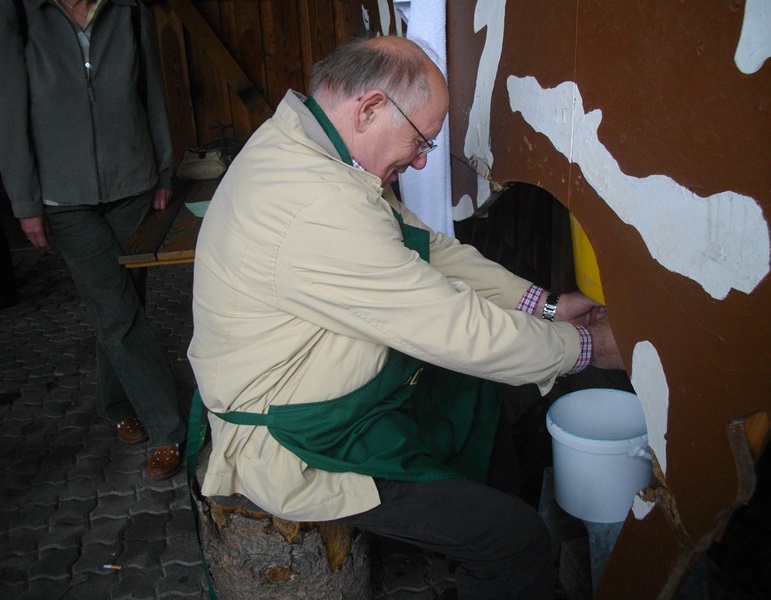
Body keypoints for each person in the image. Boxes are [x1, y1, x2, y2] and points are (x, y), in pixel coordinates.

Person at [188, 35, 624, 599]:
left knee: (476, 392)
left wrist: (544, 305)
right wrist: (588, 348)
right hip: (293, 438)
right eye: (421, 140)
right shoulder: (317, 205)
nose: (421, 160)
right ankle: (498, 539)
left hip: (323, 391)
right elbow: (454, 328)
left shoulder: (310, 147)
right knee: (513, 541)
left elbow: (428, 248)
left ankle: (484, 512)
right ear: (370, 109)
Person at [0, 0, 186, 479]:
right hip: (64, 198)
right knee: (117, 312)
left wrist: (163, 170)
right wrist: (25, 201)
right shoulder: (21, 14)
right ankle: (168, 429)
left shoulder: (127, 10)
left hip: (133, 185)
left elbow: (152, 94)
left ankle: (117, 403)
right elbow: (10, 112)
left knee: (123, 309)